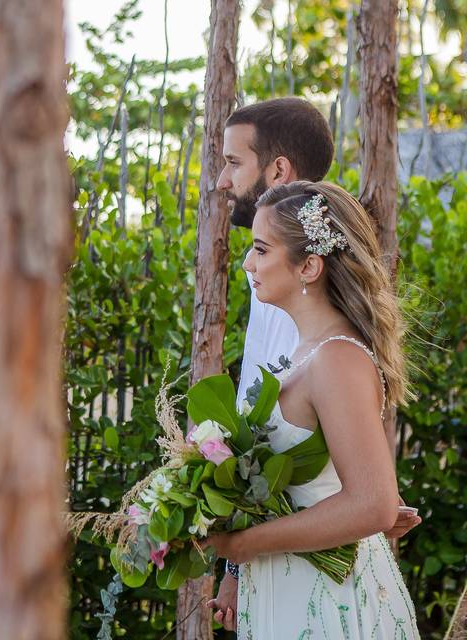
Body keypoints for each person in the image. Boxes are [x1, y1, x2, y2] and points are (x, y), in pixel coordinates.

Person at [208, 98, 421, 630]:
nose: (248, 263)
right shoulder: (306, 351)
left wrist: (243, 545)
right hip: (287, 583)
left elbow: (372, 502)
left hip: (326, 600)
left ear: (308, 265)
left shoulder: (335, 359)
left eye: (261, 250)